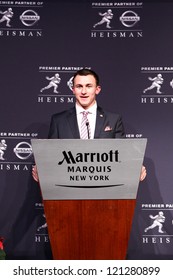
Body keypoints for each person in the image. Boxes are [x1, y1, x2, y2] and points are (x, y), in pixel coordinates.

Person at [32, 68, 146, 181]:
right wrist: (43, 167)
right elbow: (52, 155)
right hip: (69, 188)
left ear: (97, 89)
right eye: (79, 86)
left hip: (104, 189)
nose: (84, 91)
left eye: (89, 86)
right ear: (73, 89)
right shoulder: (58, 120)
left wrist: (134, 167)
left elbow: (122, 154)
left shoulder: (113, 119)